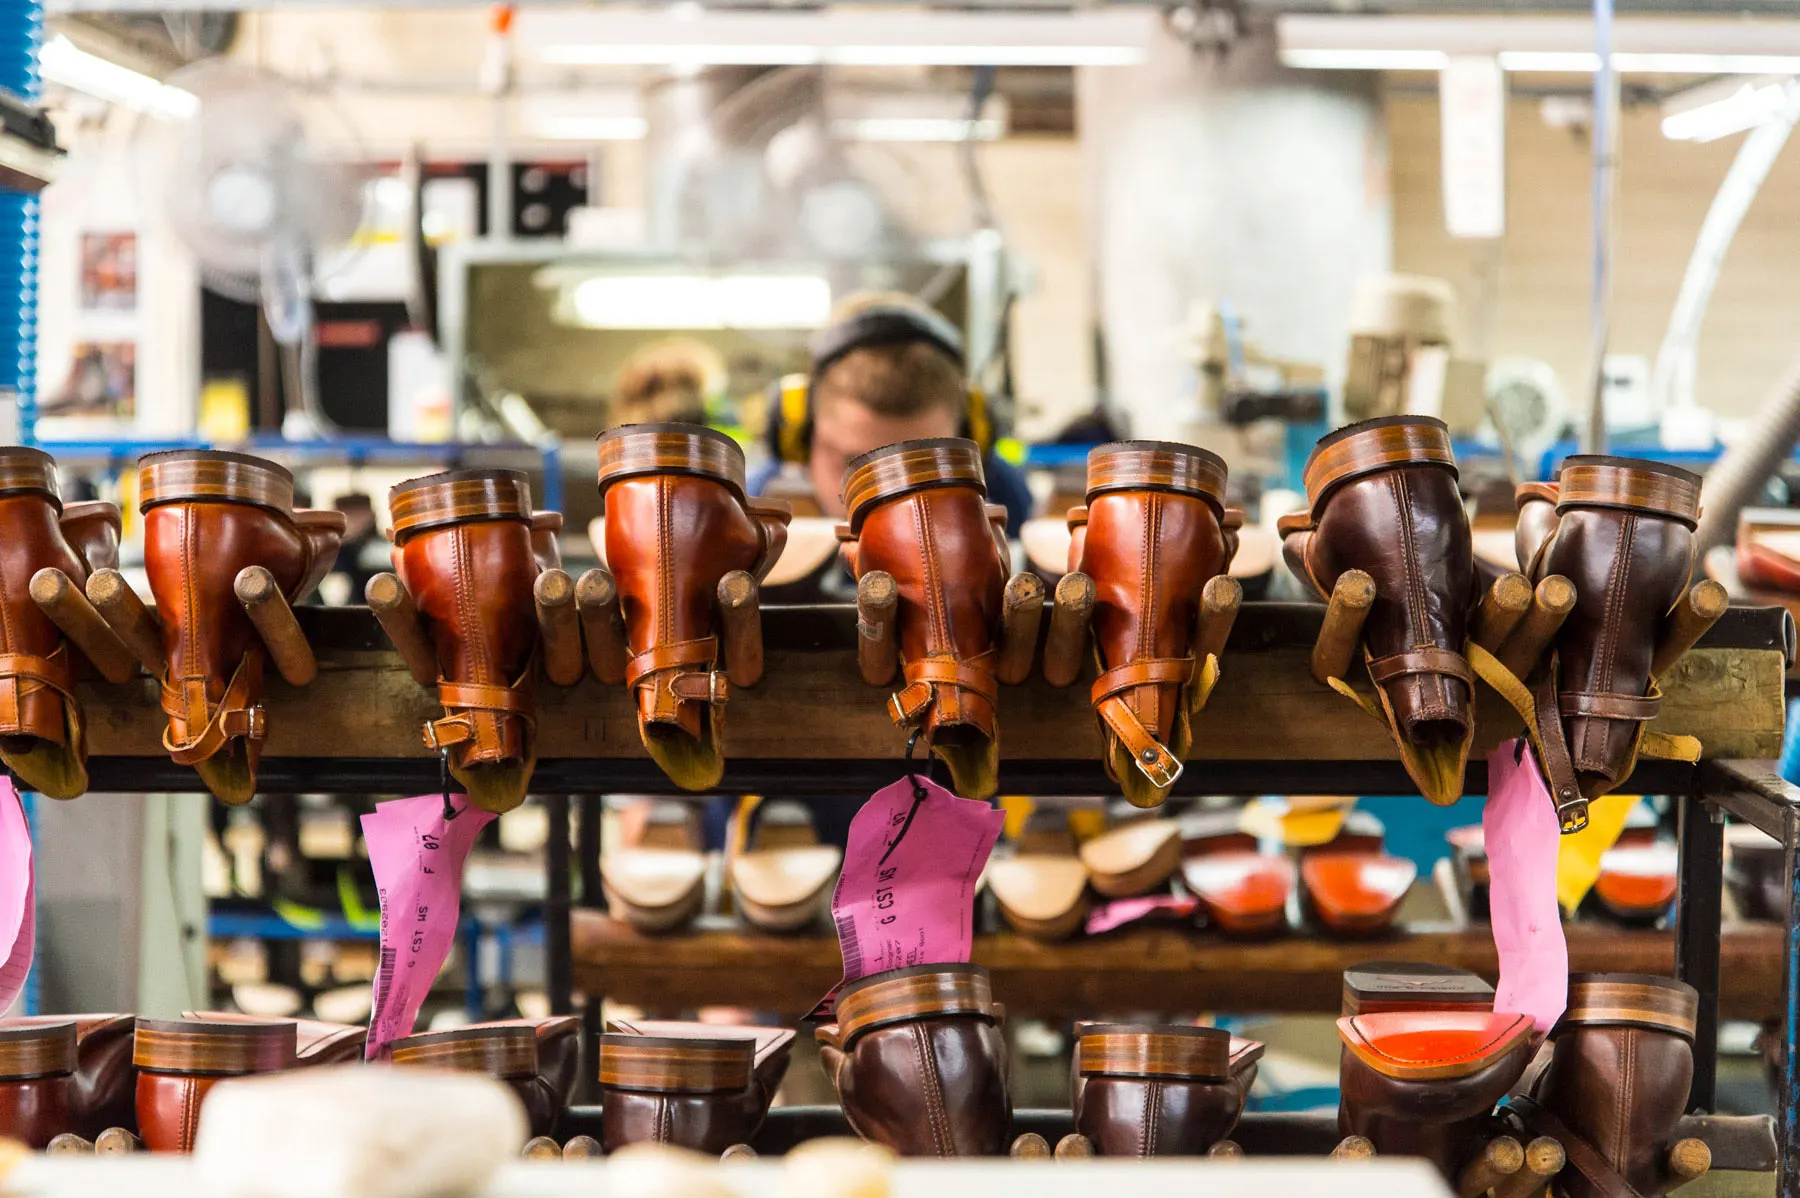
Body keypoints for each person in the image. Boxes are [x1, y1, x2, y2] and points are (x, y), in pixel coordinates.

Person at [758, 291, 1033, 533]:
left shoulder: (1008, 501)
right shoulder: (753, 509)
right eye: (857, 469)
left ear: (970, 438)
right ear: (800, 438)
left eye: (924, 469)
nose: (888, 509)